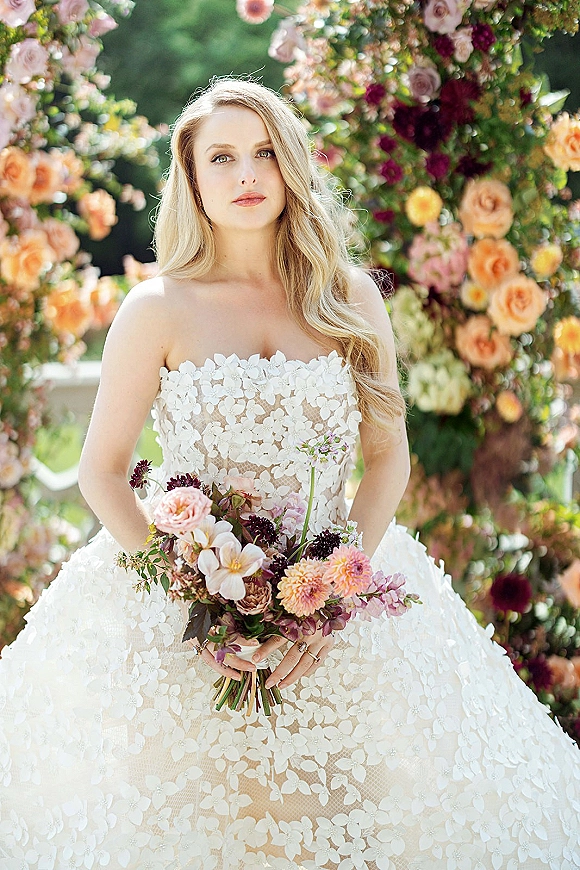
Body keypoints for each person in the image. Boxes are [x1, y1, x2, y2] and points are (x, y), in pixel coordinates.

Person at [0, 78, 579, 870]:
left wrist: (334, 594)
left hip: (337, 593)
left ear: (291, 166)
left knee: (355, 818)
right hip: (186, 607)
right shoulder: (157, 307)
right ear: (192, 176)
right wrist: (197, 602)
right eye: (222, 157)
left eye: (266, 153)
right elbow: (101, 473)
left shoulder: (349, 298)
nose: (247, 174)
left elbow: (389, 458)